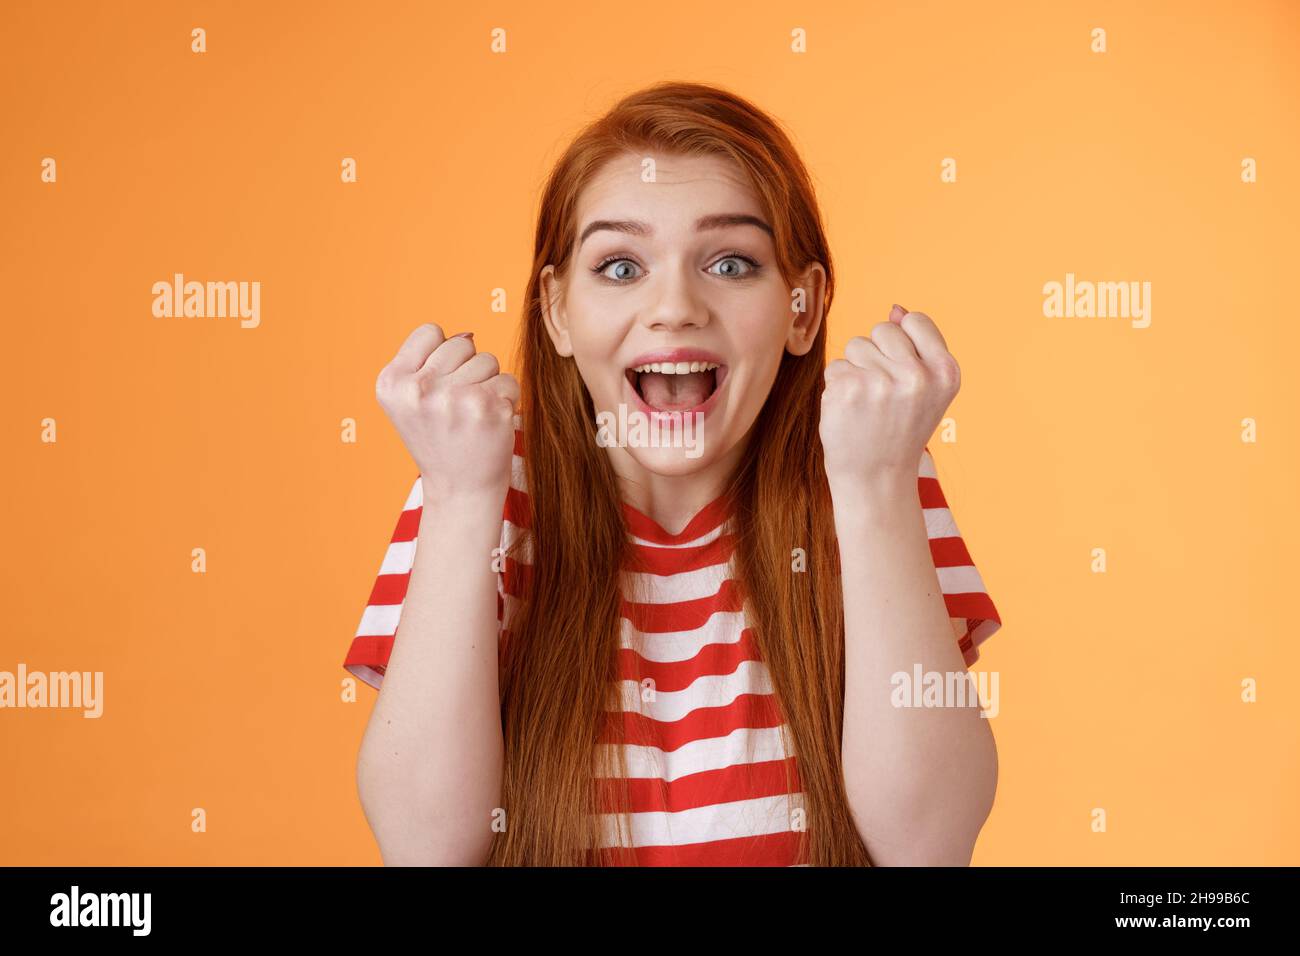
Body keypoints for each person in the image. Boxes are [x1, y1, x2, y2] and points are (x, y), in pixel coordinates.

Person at [343, 80, 1002, 866]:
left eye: (730, 262)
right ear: (556, 310)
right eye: (621, 267)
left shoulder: (872, 477)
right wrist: (458, 498)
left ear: (803, 307)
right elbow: (425, 852)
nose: (675, 307)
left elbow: (928, 847)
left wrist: (878, 486)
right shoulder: (481, 491)